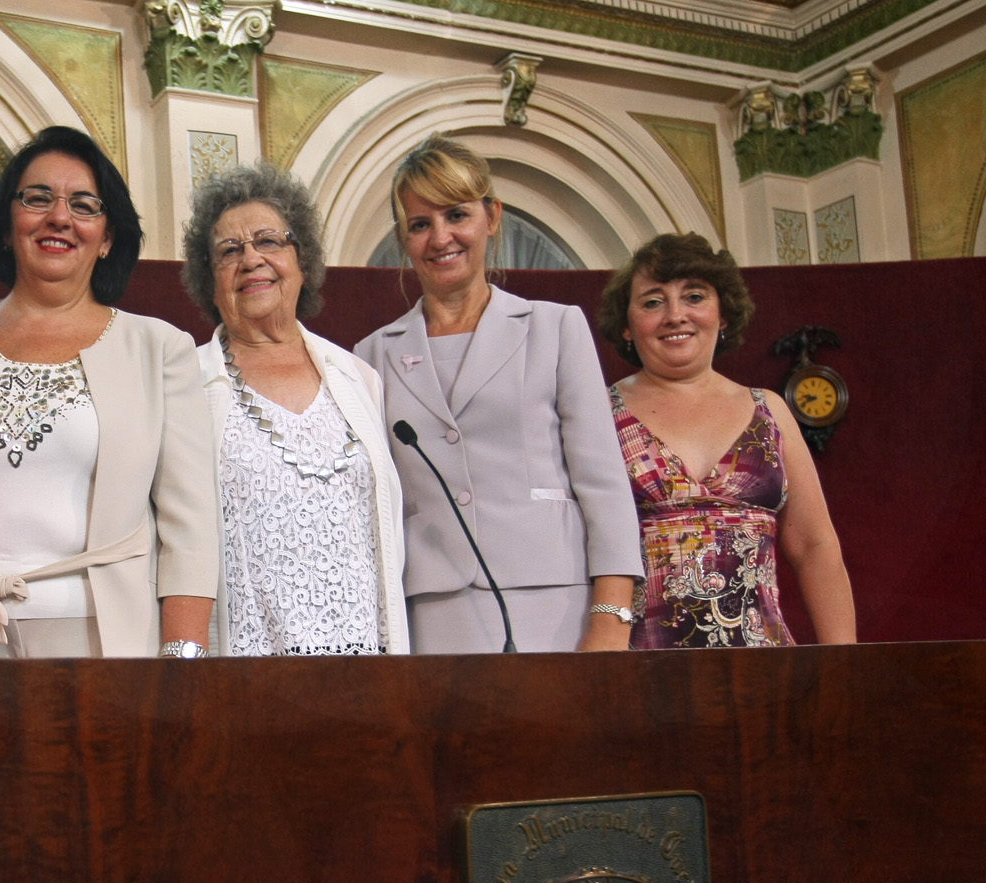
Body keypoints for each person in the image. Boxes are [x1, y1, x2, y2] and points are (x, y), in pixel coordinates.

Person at [0, 126, 218, 658]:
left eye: (84, 205)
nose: (58, 217)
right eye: (38, 199)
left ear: (108, 237)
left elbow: (191, 529)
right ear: (7, 223)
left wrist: (185, 664)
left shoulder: (158, 349)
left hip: (107, 641)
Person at [354, 134, 642, 654]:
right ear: (404, 239)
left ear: (492, 216)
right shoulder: (370, 356)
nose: (441, 237)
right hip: (432, 612)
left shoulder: (556, 328)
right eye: (421, 224)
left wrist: (611, 619)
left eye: (456, 215)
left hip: (559, 604)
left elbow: (604, 485)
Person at [179, 163, 410, 656]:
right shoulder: (185, 384)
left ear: (301, 260)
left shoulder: (359, 378)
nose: (250, 260)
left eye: (269, 241)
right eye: (228, 251)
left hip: (367, 669)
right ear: (209, 278)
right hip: (245, 674)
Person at [599, 232, 856, 647]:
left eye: (695, 296)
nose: (675, 314)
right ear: (626, 327)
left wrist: (845, 664)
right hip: (637, 674)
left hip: (765, 675)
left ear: (723, 316)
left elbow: (814, 545)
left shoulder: (770, 410)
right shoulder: (595, 414)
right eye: (652, 301)